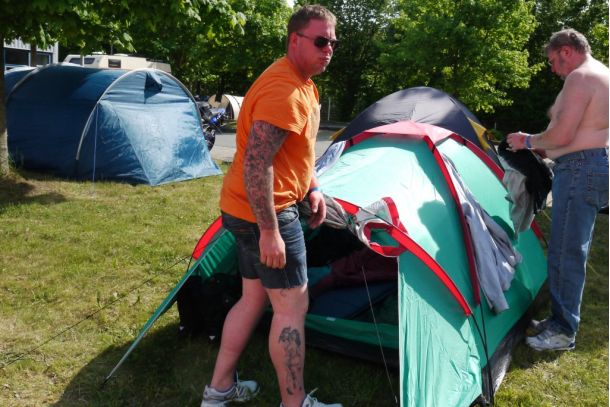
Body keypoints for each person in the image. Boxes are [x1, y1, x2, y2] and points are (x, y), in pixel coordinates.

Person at [201, 5, 342, 407]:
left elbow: (296, 151)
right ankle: (293, 403)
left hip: (242, 209)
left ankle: (219, 390)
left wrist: (312, 186)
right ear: (295, 40)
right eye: (321, 41)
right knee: (292, 307)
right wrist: (269, 231)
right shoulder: (285, 91)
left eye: (333, 43)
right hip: (266, 214)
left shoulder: (301, 82)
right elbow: (257, 163)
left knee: (253, 298)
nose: (329, 49)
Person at [507, 28, 608, 351]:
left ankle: (563, 330)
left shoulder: (580, 77)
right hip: (592, 165)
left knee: (566, 251)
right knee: (571, 249)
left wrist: (526, 140)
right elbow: (581, 133)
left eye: (552, 60)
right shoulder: (602, 73)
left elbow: (563, 135)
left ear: (566, 51)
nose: (552, 69)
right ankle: (559, 320)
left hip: (579, 170)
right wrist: (544, 146)